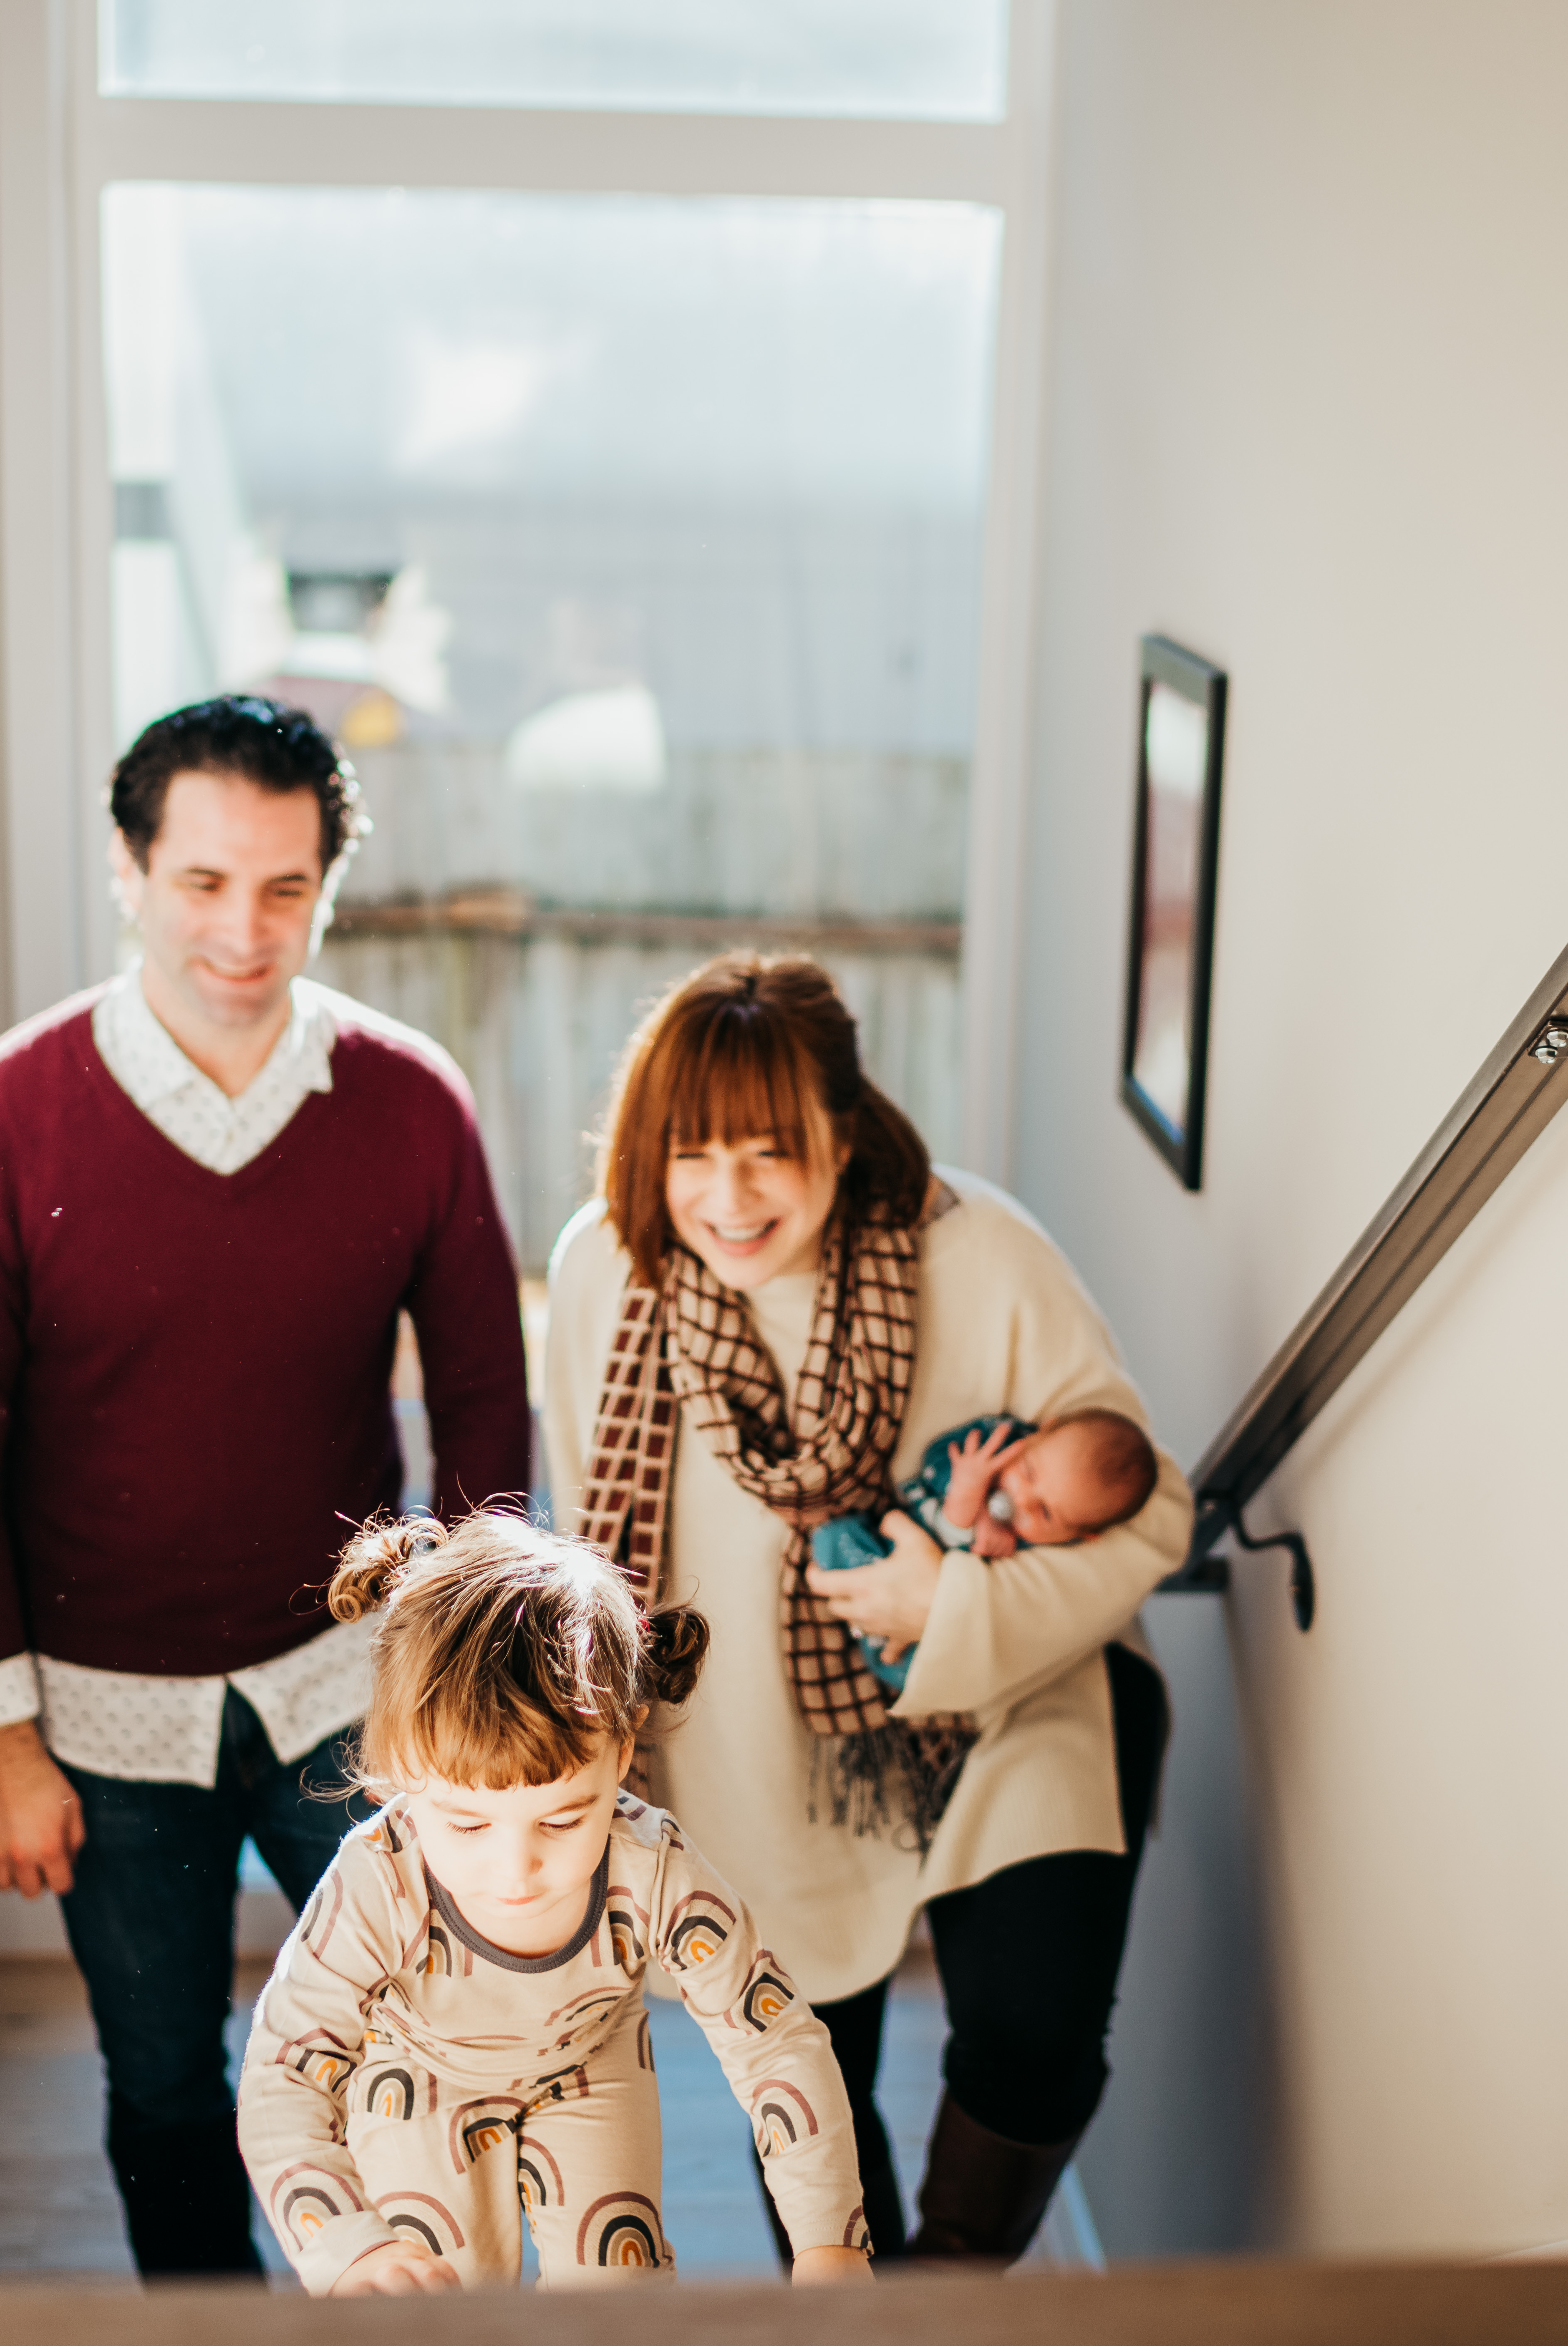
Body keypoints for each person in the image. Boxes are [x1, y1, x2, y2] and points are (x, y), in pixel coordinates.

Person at [0, 694, 534, 2277]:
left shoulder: (410, 1104)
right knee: (168, 2087)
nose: (242, 931)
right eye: (200, 882)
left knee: (435, 2055)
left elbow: (479, 1413)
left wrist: (464, 1699)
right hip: (99, 1718)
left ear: (329, 882)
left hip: (358, 1697)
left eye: (282, 886)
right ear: (128, 870)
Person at [545, 953, 1188, 2266]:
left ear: (842, 1131)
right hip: (745, 1746)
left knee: (1035, 2040)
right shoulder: (606, 1272)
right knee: (804, 2086)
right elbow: (589, 1546)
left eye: (771, 1152)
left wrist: (949, 1599)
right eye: (694, 1153)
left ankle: (945, 2288)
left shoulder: (981, 1251)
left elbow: (1155, 1511)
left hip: (1009, 1706)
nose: (729, 1198)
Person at [237, 1512, 877, 2292]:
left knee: (618, 2300)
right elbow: (282, 2077)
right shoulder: (377, 1881)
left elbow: (774, 2043)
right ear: (397, 1772)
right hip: (418, 2078)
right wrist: (346, 2242)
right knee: (439, 2294)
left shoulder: (654, 1867)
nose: (517, 1867)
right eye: (467, 1822)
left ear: (624, 1744)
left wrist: (825, 2241)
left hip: (591, 2066)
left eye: (564, 1817)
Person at [811, 1411, 1162, 1693]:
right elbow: (937, 1458)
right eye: (1029, 1472)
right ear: (1042, 1431)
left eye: (1045, 1514)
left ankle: (876, 1643)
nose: (1020, 1499)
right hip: (888, 1542)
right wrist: (968, 1499)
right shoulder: (996, 1441)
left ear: (1083, 1536)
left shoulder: (1041, 1554)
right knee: (835, 1536)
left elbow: (994, 1600)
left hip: (925, 1625)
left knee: (922, 1674)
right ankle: (852, 1602)